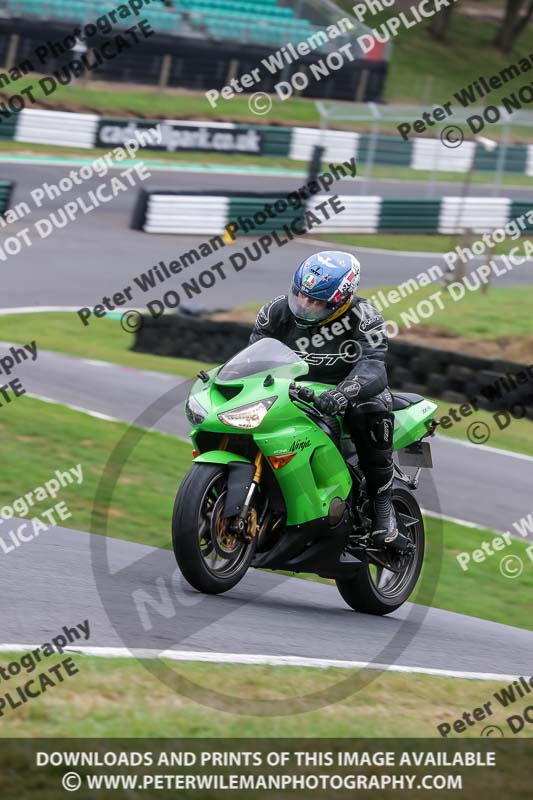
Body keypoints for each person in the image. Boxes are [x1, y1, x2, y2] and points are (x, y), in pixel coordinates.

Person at [249, 250, 402, 550]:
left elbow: (374, 365)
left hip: (349, 392)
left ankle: (383, 508)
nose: (305, 305)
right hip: (295, 391)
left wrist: (344, 393)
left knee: (369, 411)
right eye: (301, 296)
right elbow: (253, 359)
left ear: (341, 300)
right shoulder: (275, 312)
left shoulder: (364, 317)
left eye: (316, 301)